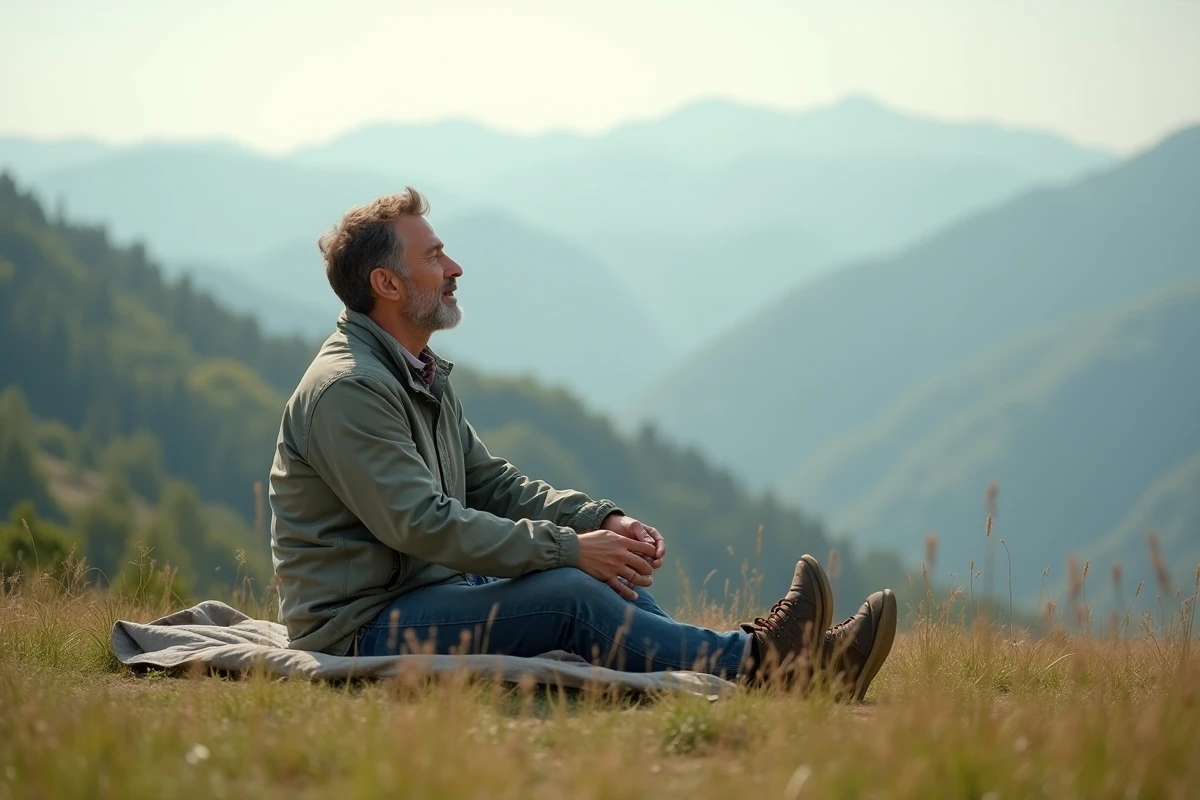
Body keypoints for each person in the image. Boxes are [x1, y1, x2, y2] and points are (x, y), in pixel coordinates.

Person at [268, 188, 897, 698]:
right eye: (434, 256)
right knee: (570, 592)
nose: (455, 268)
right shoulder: (350, 391)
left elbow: (492, 484)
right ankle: (771, 662)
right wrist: (569, 550)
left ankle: (792, 660)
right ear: (389, 284)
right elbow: (421, 525)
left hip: (429, 595)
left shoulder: (415, 371)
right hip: (360, 630)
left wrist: (601, 521)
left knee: (610, 579)